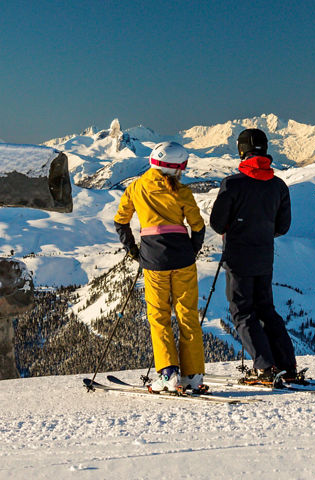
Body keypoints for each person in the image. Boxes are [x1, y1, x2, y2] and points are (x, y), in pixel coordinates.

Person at [114, 141, 208, 393]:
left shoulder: (136, 187)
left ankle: (168, 374)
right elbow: (198, 226)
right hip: (183, 258)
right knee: (188, 314)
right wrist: (192, 250)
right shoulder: (183, 192)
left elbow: (120, 222)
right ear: (178, 167)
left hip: (153, 259)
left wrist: (134, 251)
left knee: (159, 316)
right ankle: (193, 375)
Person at [209, 128, 298, 386]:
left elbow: (217, 223)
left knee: (242, 312)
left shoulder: (233, 184)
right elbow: (282, 227)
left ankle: (264, 367)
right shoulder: (278, 186)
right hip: (264, 257)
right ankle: (287, 366)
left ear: (241, 150)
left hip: (238, 258)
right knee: (267, 310)